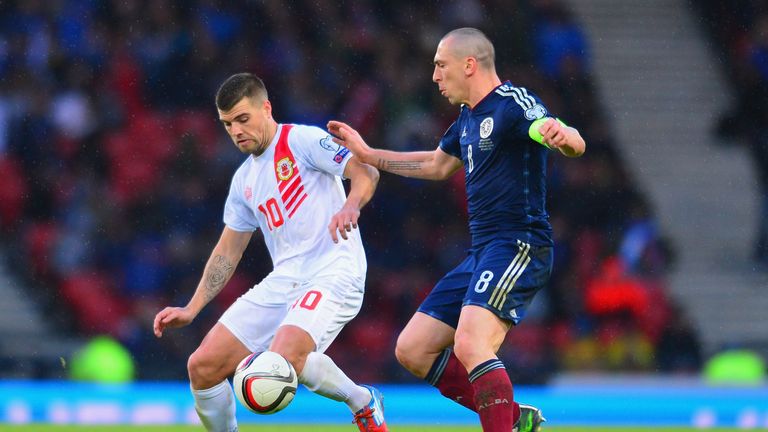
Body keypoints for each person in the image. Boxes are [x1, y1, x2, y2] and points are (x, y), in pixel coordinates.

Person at [328, 27, 585, 432]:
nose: (434, 76)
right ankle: (514, 419)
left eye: (440, 65)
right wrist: (368, 154)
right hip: (482, 252)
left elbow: (563, 137)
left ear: (469, 64)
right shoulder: (468, 118)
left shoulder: (512, 104)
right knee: (413, 349)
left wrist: (564, 136)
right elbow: (435, 164)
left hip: (519, 245)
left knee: (470, 344)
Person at [153, 73, 388, 432]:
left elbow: (365, 169)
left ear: (266, 108)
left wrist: (351, 205)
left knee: (284, 357)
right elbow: (227, 251)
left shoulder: (303, 140)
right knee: (202, 366)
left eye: (243, 119)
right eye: (228, 124)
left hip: (335, 269)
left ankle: (362, 402)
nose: (236, 131)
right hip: (285, 280)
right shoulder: (244, 180)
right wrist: (192, 308)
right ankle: (359, 399)